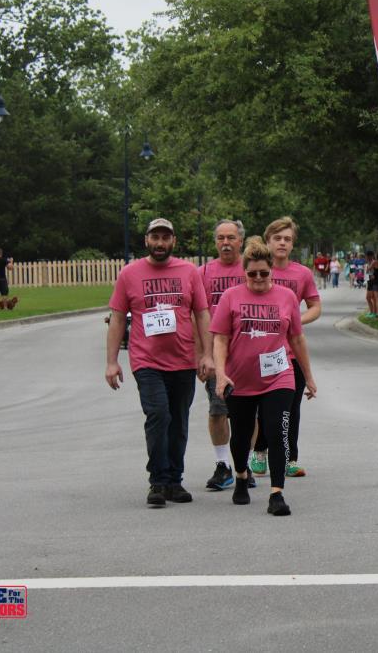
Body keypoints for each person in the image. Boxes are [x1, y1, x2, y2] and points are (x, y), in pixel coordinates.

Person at [106, 218, 214, 508]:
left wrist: (207, 354)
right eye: (155, 237)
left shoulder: (189, 272)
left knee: (178, 421)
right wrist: (112, 361)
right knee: (158, 415)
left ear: (173, 242)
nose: (160, 243)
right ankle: (158, 480)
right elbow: (118, 318)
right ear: (146, 240)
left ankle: (174, 481)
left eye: (166, 238)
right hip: (147, 361)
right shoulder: (129, 274)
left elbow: (202, 314)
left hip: (183, 360)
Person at [211, 237, 316, 516]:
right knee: (241, 435)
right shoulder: (230, 297)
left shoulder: (287, 297)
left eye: (264, 273)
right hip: (240, 379)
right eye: (252, 273)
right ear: (244, 271)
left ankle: (277, 493)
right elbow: (220, 339)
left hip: (278, 376)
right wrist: (220, 374)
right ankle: (241, 476)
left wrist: (308, 376)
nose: (258, 278)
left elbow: (297, 339)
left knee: (277, 431)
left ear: (272, 270)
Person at [249, 216, 321, 479]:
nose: (282, 243)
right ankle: (260, 451)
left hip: (290, 353)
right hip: (260, 351)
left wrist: (296, 320)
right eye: (277, 238)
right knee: (262, 407)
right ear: (267, 241)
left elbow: (315, 306)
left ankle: (290, 458)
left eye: (287, 239)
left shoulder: (301, 274)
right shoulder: (257, 270)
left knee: (290, 408)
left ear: (293, 244)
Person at [198, 219, 248, 492]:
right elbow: (197, 317)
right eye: (220, 238)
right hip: (217, 356)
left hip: (247, 354)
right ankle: (223, 465)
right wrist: (202, 355)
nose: (225, 243)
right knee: (218, 410)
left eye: (231, 237)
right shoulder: (204, 273)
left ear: (241, 240)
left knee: (248, 412)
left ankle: (243, 465)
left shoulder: (251, 269)